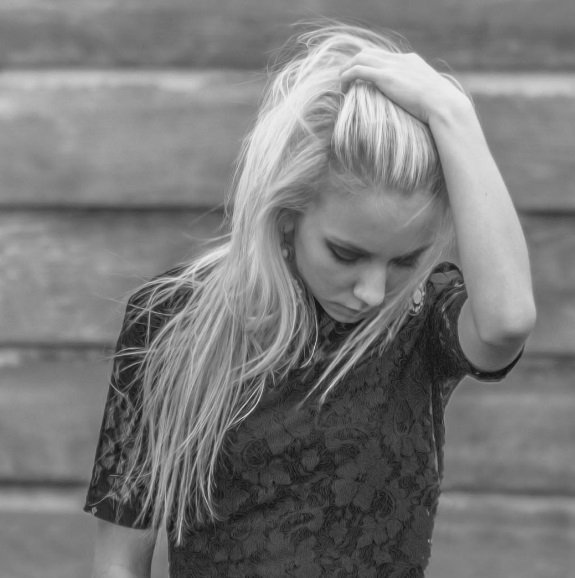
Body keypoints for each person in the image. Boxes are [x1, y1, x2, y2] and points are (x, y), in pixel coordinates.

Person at [84, 22, 536, 578]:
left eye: (404, 261)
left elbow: (506, 322)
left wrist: (453, 113)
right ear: (287, 215)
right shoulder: (174, 319)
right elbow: (119, 563)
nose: (373, 291)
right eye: (346, 254)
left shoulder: (421, 322)